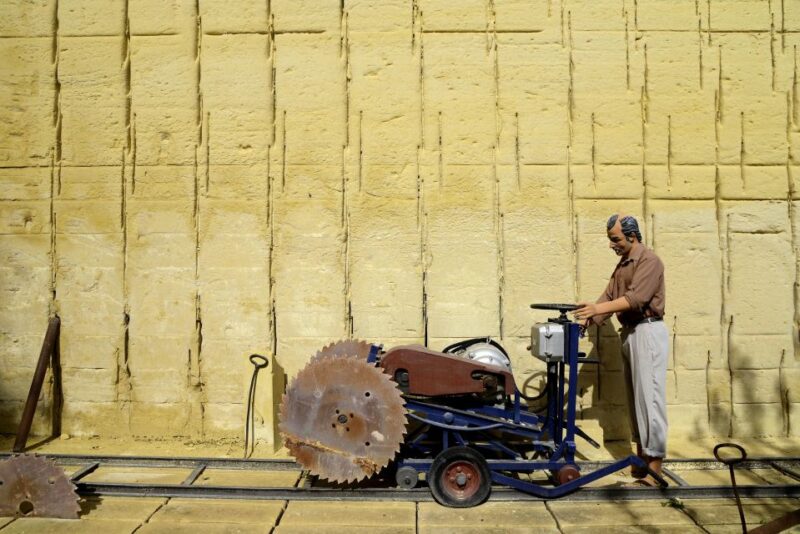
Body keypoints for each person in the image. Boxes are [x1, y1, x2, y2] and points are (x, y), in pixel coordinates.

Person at [573, 214, 667, 486]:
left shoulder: (649, 261)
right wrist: (586, 319)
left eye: (615, 239)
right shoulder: (623, 265)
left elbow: (635, 299)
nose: (612, 244)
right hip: (632, 333)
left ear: (632, 236)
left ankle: (655, 468)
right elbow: (609, 297)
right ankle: (641, 466)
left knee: (650, 401)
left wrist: (597, 310)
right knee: (636, 401)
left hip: (647, 331)